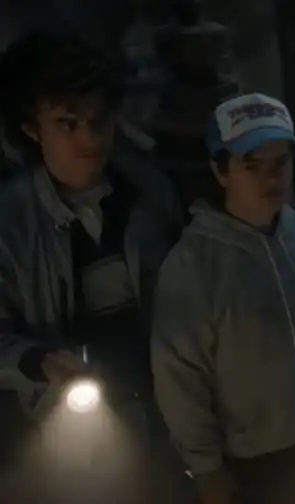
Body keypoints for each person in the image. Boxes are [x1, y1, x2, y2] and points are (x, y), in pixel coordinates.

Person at [0, 29, 184, 501]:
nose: (89, 139)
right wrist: (38, 360)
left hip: (162, 420)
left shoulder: (148, 193)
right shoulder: (11, 223)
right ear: (32, 128)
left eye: (99, 120)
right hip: (65, 442)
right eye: (68, 124)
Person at [151, 93, 295, 504]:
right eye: (252, 165)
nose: (271, 179)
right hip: (252, 463)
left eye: (280, 163)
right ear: (221, 171)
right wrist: (206, 468)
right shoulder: (193, 266)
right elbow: (180, 376)